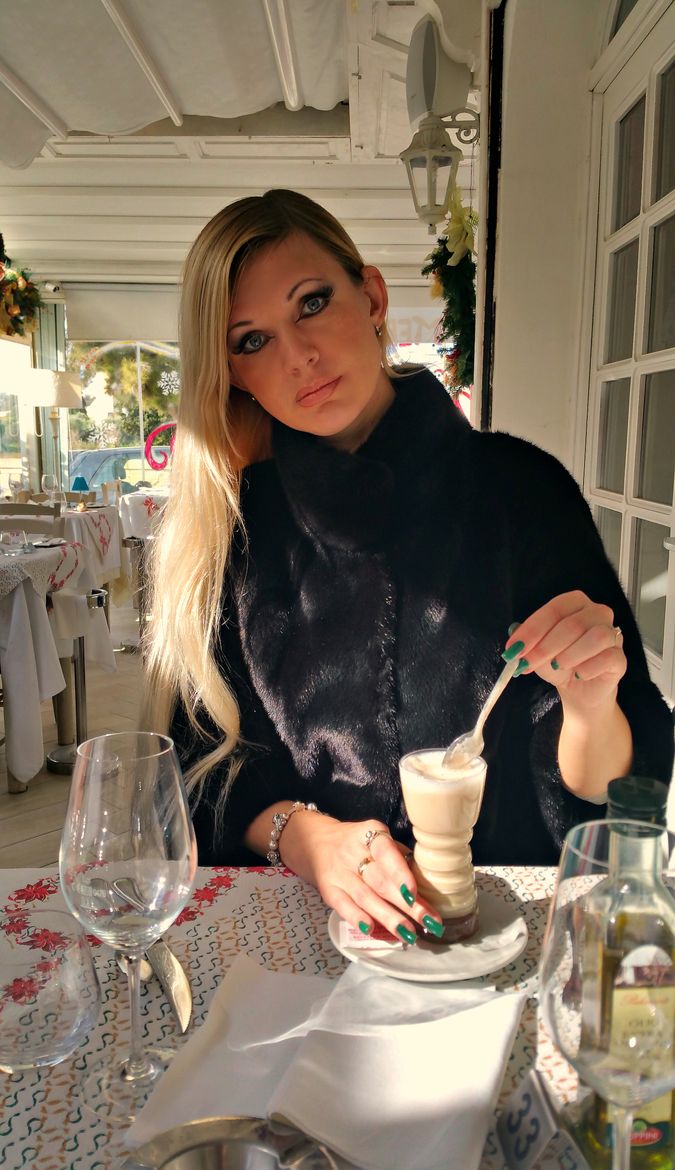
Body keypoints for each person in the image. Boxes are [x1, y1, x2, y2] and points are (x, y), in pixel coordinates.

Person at [144, 189, 673, 947]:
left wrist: (591, 705)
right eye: (251, 341)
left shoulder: (521, 490)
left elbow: (620, 792)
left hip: (511, 936)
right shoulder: (235, 533)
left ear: (371, 296)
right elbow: (197, 776)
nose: (298, 357)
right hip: (308, 943)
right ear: (232, 374)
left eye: (312, 303)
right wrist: (308, 840)